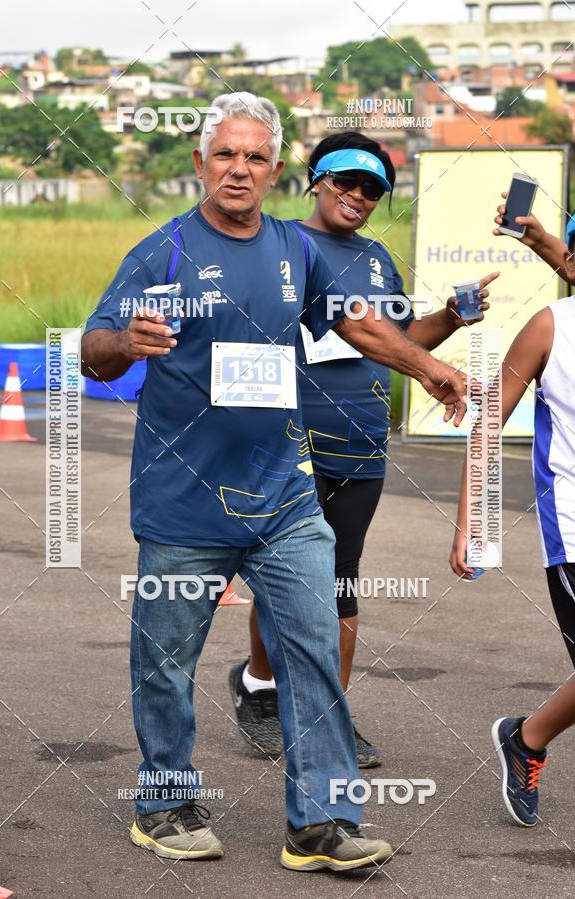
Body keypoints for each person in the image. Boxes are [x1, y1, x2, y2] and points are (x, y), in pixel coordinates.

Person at [82, 92, 467, 872]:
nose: (240, 168)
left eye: (256, 156)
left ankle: (321, 822)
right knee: (163, 662)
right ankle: (163, 803)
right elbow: (93, 351)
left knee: (314, 647)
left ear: (276, 170)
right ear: (200, 162)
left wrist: (427, 366)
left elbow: (359, 322)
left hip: (283, 500)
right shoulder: (163, 250)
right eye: (226, 154)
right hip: (184, 501)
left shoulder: (299, 250)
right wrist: (128, 340)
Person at [229, 132, 498, 768]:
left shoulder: (377, 260)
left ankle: (328, 719)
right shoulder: (278, 244)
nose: (357, 197)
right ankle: (259, 688)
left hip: (360, 444)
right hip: (287, 443)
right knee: (283, 579)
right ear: (315, 179)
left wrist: (452, 317)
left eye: (372, 189)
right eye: (346, 182)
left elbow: (397, 340)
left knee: (342, 578)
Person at [449, 199, 575, 827]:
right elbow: (487, 425)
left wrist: (541, 239)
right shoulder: (552, 327)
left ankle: (525, 737)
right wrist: (471, 516)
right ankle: (524, 739)